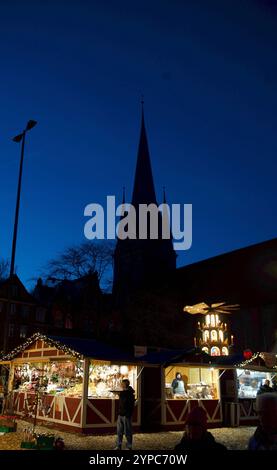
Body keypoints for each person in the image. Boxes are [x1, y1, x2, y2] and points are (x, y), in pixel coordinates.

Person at [115, 379, 135, 450]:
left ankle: (129, 446)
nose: (121, 384)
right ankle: (118, 445)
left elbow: (131, 405)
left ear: (125, 384)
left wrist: (128, 414)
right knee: (119, 431)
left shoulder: (129, 394)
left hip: (126, 415)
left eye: (122, 383)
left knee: (127, 431)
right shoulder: (123, 392)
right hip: (120, 414)